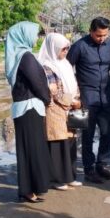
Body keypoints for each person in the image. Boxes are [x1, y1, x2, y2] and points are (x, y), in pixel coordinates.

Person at [4, 21, 52, 203]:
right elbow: (38, 83)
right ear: (23, 35)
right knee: (32, 150)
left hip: (23, 108)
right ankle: (28, 190)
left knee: (27, 150)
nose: (35, 38)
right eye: (33, 34)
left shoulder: (16, 56)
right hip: (29, 108)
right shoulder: (26, 57)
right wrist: (48, 98)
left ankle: (29, 189)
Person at [67, 17, 110, 184]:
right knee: (87, 135)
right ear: (91, 31)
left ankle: (101, 165)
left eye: (104, 35)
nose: (101, 38)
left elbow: (109, 65)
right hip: (87, 98)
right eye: (98, 35)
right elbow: (67, 70)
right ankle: (89, 170)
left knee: (107, 132)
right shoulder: (79, 46)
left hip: (106, 96)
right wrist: (76, 93)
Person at [38, 33, 83, 190]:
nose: (65, 52)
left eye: (67, 48)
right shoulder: (47, 67)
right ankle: (57, 180)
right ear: (53, 48)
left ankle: (70, 177)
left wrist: (77, 99)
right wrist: (71, 102)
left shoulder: (66, 64)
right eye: (62, 49)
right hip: (56, 110)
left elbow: (74, 83)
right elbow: (53, 91)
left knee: (70, 143)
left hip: (70, 108)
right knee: (57, 144)